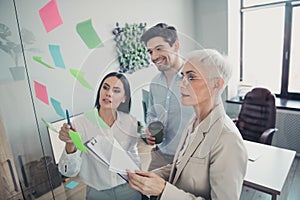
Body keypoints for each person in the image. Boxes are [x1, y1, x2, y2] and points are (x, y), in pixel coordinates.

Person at [127, 49, 248, 200]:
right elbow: (180, 167)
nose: (181, 84)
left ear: (216, 85)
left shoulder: (228, 140)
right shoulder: (194, 122)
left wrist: (164, 190)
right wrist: (152, 177)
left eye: (191, 78)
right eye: (183, 76)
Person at [58, 72, 142, 200]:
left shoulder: (130, 122)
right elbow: (68, 172)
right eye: (106, 87)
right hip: (98, 193)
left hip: (129, 188)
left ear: (124, 98)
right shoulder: (81, 124)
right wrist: (70, 144)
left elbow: (133, 155)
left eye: (116, 90)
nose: (109, 93)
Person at [141, 23, 194, 170]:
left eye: (159, 49)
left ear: (176, 46)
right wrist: (149, 129)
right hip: (162, 154)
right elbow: (152, 114)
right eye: (150, 51)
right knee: (147, 192)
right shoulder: (154, 83)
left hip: (191, 159)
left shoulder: (196, 79)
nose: (154, 57)